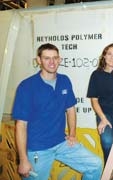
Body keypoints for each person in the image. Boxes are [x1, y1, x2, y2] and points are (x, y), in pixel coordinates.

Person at [12, 43, 103, 180]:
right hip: (37, 149)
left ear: (60, 59)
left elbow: (71, 109)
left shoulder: (64, 80)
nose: (52, 62)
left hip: (61, 142)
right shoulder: (27, 86)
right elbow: (21, 125)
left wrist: (72, 134)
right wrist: (23, 159)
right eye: (47, 58)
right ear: (39, 60)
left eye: (55, 58)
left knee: (95, 164)